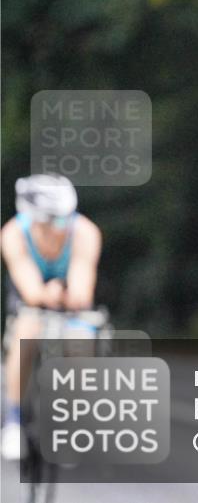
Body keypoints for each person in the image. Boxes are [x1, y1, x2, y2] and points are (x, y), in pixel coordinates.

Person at [0, 174, 102, 460]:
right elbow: (31, 290)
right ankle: (13, 419)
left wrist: (65, 294)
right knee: (25, 333)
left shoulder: (85, 232)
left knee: (80, 342)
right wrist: (49, 293)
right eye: (53, 221)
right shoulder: (12, 233)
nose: (60, 228)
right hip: (30, 295)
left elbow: (81, 290)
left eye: (64, 219)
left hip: (69, 296)